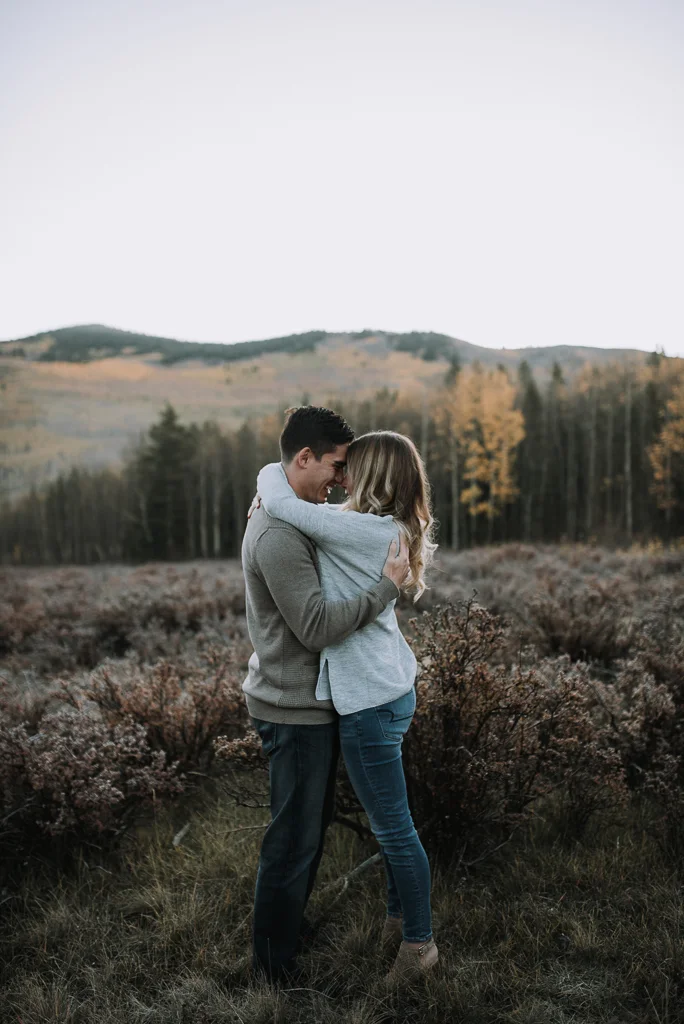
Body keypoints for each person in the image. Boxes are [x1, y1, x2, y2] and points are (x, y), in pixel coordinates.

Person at [255, 428, 439, 980]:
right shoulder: (381, 525)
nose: (342, 477)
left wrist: (267, 477)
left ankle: (419, 947)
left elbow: (288, 505)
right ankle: (397, 919)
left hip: (368, 702)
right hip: (390, 688)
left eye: (350, 467)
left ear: (374, 474)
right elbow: (302, 512)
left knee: (394, 830)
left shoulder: (359, 529)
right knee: (392, 824)